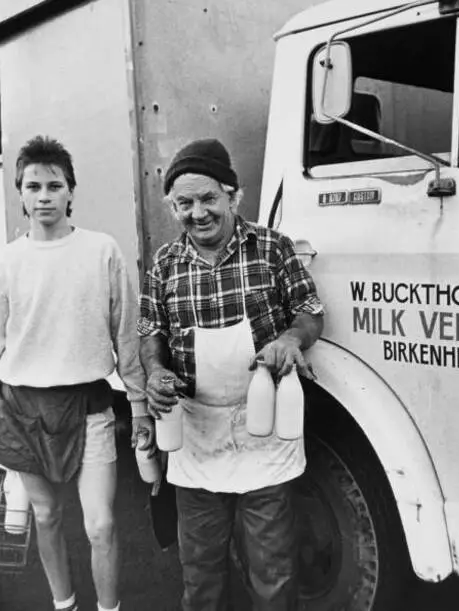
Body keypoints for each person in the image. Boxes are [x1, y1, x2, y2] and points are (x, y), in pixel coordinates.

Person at [138, 138, 325, 610]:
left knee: (273, 569)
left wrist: (290, 339)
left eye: (208, 199)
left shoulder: (272, 249)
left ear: (232, 197)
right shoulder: (164, 265)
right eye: (184, 203)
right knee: (201, 574)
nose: (197, 213)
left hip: (265, 434)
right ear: (172, 207)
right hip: (196, 436)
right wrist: (156, 371)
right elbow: (149, 332)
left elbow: (310, 311)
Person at [0, 135, 153, 611]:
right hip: (21, 407)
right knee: (47, 514)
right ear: (19, 194)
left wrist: (139, 409)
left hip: (89, 403)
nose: (44, 196)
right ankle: (65, 604)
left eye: (54, 185)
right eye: (32, 186)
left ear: (71, 192)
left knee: (100, 525)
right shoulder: (6, 263)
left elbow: (127, 335)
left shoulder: (103, 252)